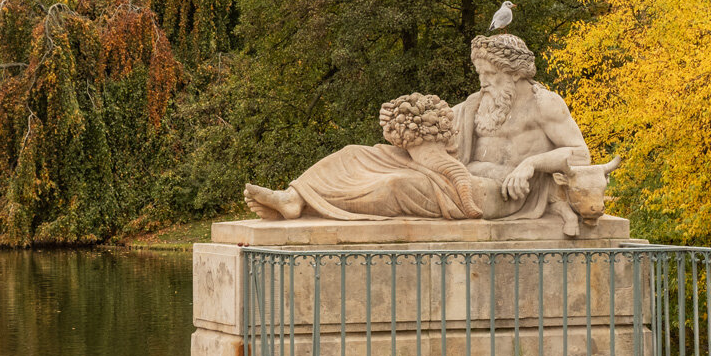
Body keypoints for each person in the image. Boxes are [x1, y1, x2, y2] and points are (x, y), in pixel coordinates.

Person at [243, 34, 591, 220]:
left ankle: (314, 206)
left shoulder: (544, 103)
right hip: (459, 173)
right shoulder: (477, 103)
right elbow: (439, 129)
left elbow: (580, 154)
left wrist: (529, 165)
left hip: (498, 194)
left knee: (399, 185)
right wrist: (404, 123)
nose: (483, 82)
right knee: (360, 154)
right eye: (480, 74)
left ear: (516, 74)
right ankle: (296, 197)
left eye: (491, 75)